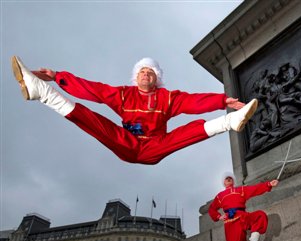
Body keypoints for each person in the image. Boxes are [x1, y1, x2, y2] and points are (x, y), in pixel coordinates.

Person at [11, 56, 258, 165]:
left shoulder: (167, 98)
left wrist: (222, 101)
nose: (146, 74)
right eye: (142, 71)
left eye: (151, 72)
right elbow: (93, 90)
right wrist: (56, 76)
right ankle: (40, 92)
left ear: (156, 79)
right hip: (127, 143)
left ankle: (230, 121)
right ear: (135, 76)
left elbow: (192, 101)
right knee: (91, 119)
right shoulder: (122, 94)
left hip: (155, 146)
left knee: (186, 132)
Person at [208, 172, 278, 241]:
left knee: (260, 215)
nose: (229, 179)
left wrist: (269, 184)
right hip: (231, 220)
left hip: (243, 216)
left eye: (230, 178)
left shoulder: (240, 189)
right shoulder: (220, 196)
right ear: (223, 182)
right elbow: (211, 209)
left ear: (233, 181)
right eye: (226, 178)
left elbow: (255, 189)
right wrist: (218, 216)